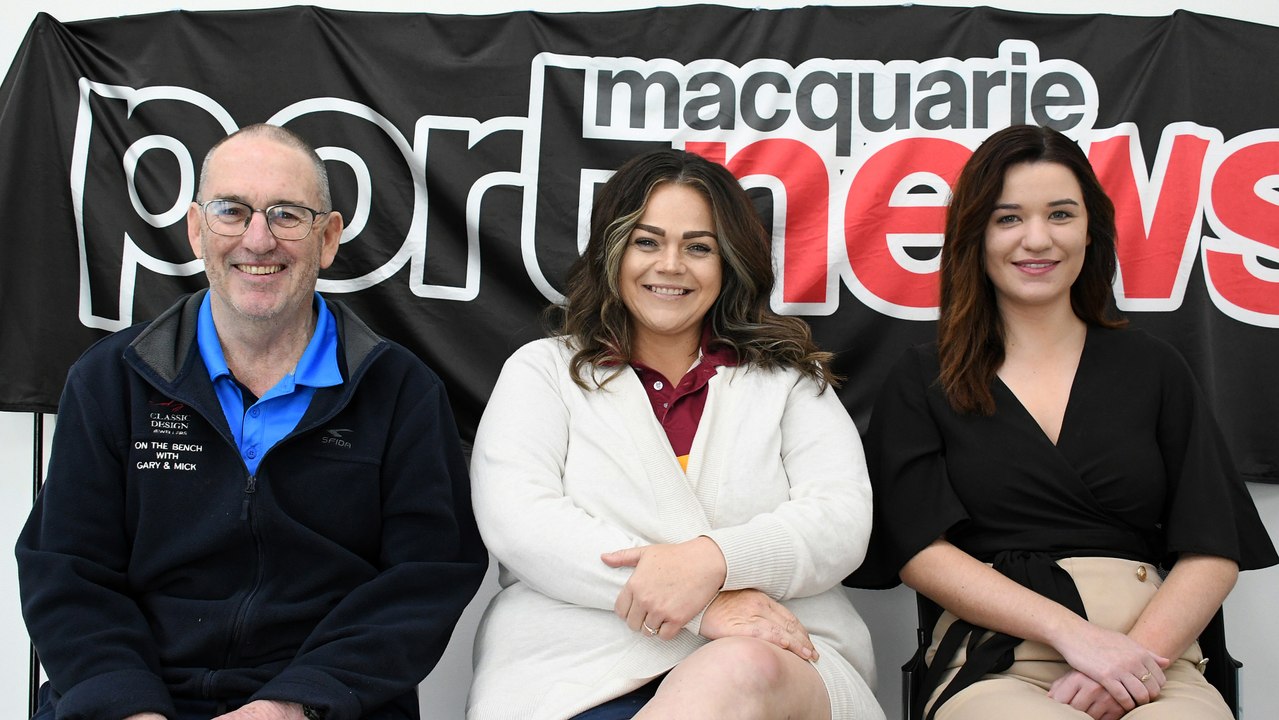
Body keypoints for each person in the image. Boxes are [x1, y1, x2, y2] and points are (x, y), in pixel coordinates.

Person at [16, 124, 488, 720]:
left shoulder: (401, 391)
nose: (258, 240)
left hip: (321, 705)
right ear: (196, 229)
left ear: (328, 238)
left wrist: (293, 704)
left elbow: (426, 579)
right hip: (133, 698)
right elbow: (66, 571)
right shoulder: (111, 379)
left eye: (287, 215)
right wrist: (129, 707)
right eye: (231, 211)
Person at [846, 125, 1277, 720]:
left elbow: (1213, 548)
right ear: (974, 234)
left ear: (1090, 229)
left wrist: (1130, 662)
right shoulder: (923, 377)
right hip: (997, 660)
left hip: (1153, 660)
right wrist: (1077, 638)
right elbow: (920, 551)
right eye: (1008, 218)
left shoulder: (1155, 367)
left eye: (1060, 214)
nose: (1037, 239)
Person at [465, 148, 883, 720]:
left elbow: (841, 520)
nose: (670, 265)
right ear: (612, 252)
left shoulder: (789, 382)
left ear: (730, 262)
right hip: (575, 667)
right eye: (647, 241)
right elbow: (521, 521)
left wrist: (717, 561)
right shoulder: (542, 372)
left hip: (774, 653)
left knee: (739, 668)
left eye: (698, 247)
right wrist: (704, 606)